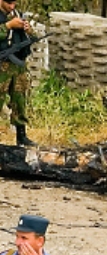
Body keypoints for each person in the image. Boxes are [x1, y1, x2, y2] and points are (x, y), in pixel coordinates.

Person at [0, 0, 36, 146]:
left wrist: (28, 30)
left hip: (17, 65)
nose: (12, 7)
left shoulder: (16, 14)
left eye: (14, 3)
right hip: (2, 65)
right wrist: (8, 26)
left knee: (19, 100)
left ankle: (22, 135)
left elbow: (31, 37)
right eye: (9, 3)